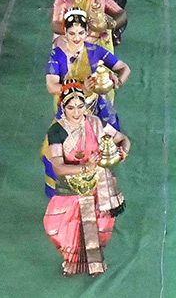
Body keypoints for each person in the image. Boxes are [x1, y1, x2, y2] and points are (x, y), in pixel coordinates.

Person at [43, 81, 128, 277]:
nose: (76, 112)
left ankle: (93, 263)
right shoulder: (57, 131)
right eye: (71, 108)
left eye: (80, 106)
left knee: (99, 225)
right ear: (63, 108)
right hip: (70, 187)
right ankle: (72, 260)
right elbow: (58, 167)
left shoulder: (96, 123)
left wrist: (123, 151)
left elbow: (122, 139)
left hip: (97, 183)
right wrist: (85, 167)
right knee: (58, 227)